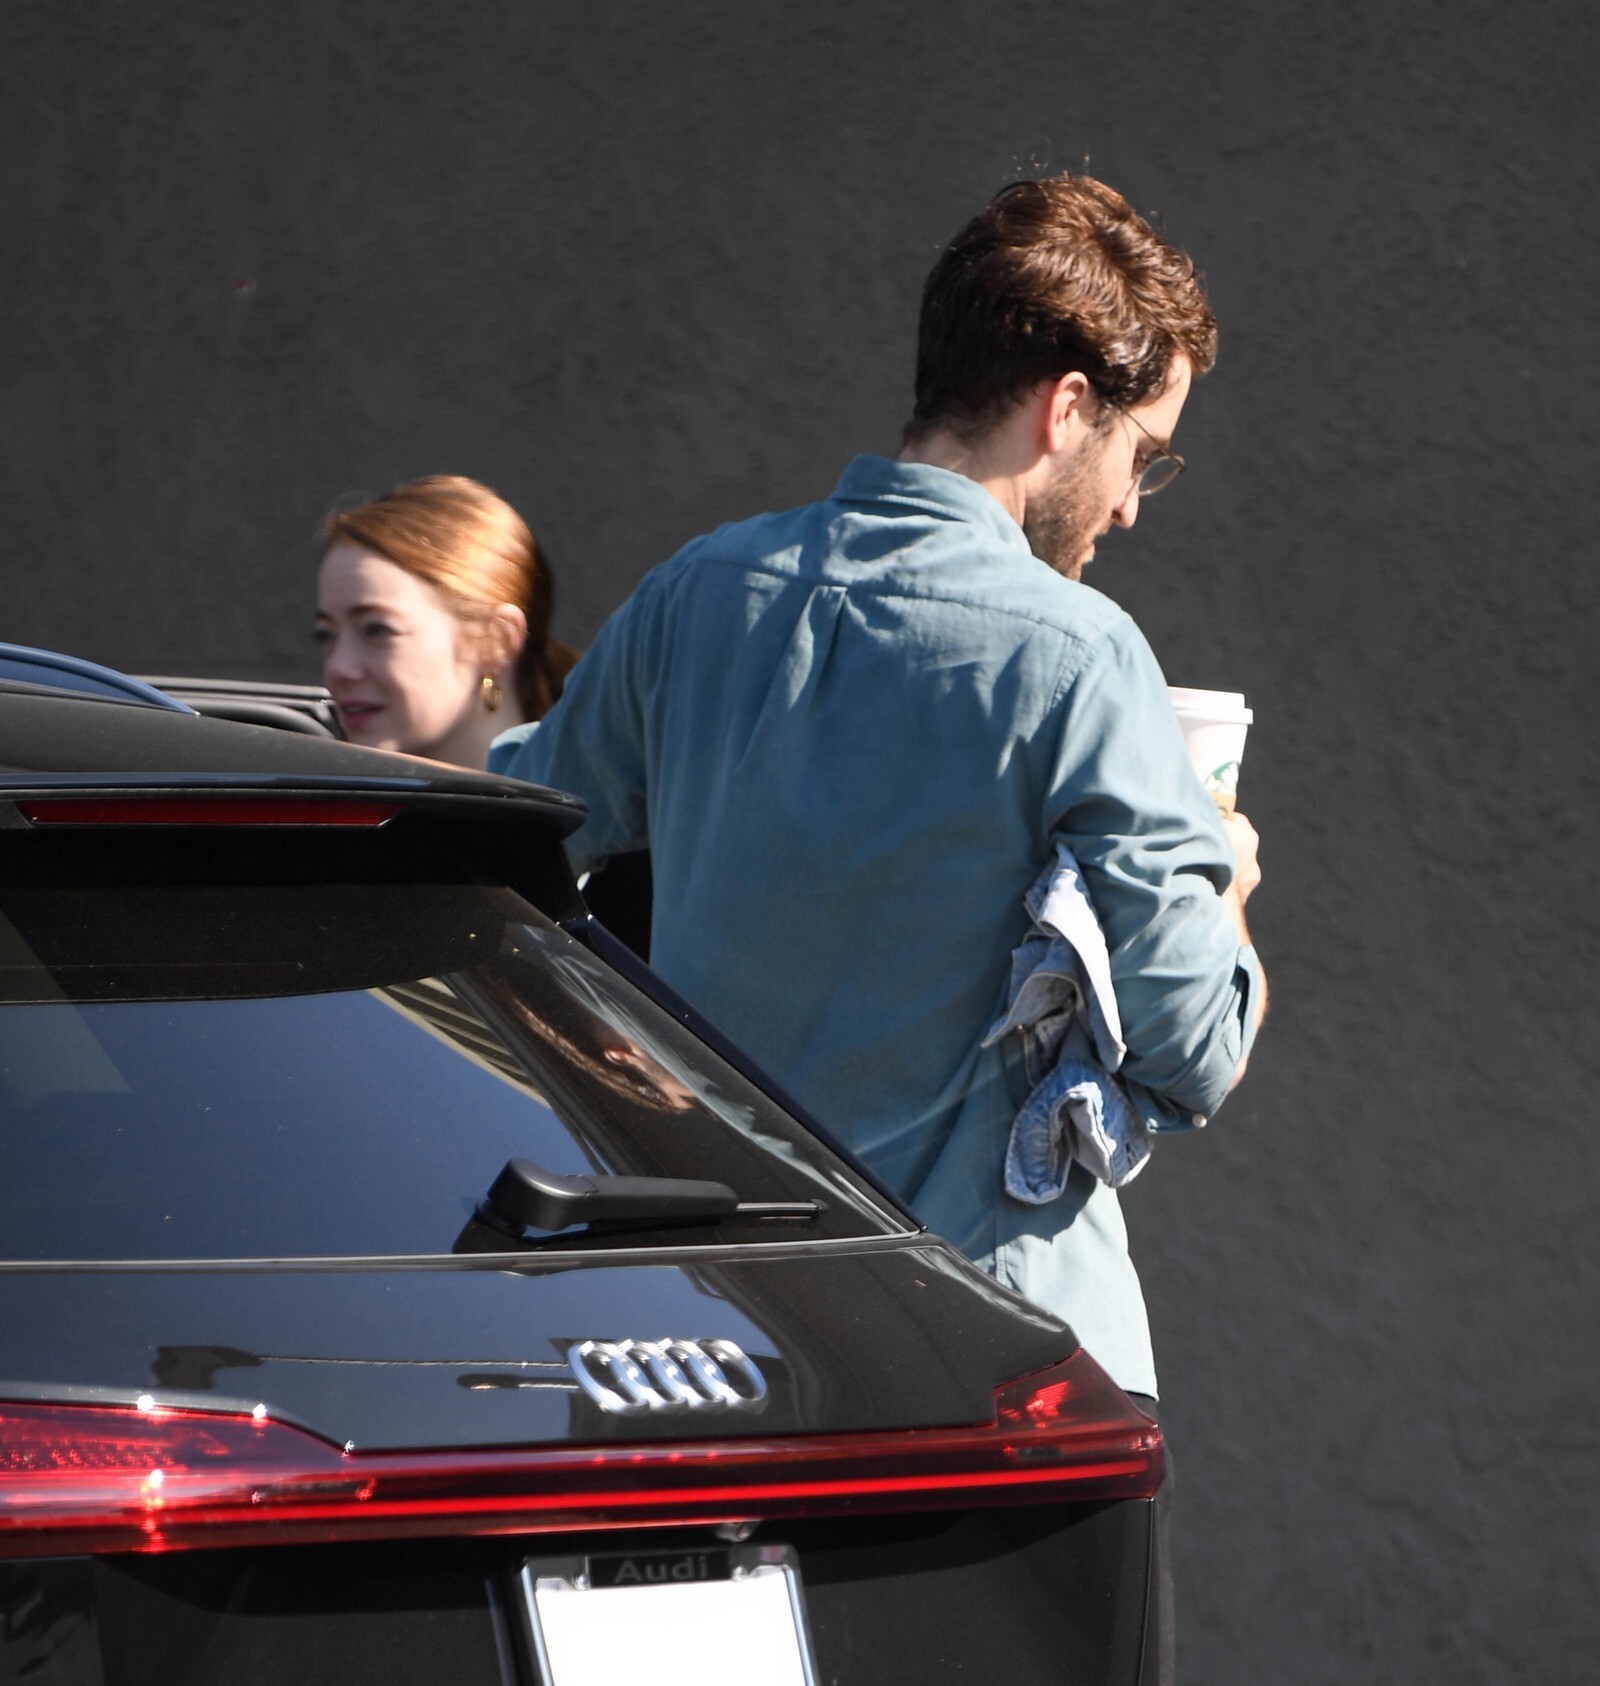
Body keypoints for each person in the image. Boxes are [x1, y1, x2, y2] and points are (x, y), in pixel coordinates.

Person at [493, 171, 1264, 1474]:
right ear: (1066, 407)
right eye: (1143, 454)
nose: (1134, 503)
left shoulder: (698, 595)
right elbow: (1193, 1047)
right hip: (990, 1367)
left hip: (717, 1346)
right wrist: (1227, 886)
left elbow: (506, 853)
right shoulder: (1079, 658)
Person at [314, 475, 576, 768]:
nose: (338, 668)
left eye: (377, 629)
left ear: (497, 641)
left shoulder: (587, 792)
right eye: (326, 635)